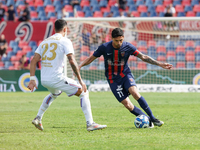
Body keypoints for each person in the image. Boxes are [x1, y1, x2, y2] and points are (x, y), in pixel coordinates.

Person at [79, 28, 173, 128]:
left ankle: (153, 117)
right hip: (113, 80)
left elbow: (143, 57)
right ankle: (148, 120)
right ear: (112, 39)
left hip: (125, 75)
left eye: (121, 40)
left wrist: (160, 64)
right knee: (127, 104)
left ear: (123, 38)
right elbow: (91, 59)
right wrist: (79, 66)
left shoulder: (128, 46)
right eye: (116, 41)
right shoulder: (104, 47)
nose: (119, 43)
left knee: (135, 93)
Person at [27, 19, 106, 131]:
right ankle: (90, 123)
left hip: (44, 79)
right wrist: (80, 80)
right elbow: (72, 60)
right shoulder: (65, 41)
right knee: (83, 92)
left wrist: (32, 79)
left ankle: (38, 118)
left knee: (55, 93)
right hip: (56, 78)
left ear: (54, 29)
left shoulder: (44, 42)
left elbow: (34, 60)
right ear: (65, 29)